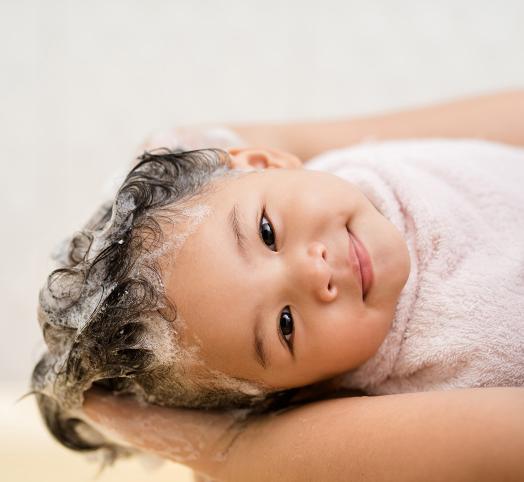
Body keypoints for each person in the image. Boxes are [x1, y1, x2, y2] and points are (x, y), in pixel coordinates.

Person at [32, 90, 524, 480]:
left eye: (268, 233)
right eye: (285, 326)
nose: (315, 273)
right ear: (309, 392)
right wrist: (218, 448)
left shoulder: (349, 166)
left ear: (266, 161)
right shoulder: (400, 398)